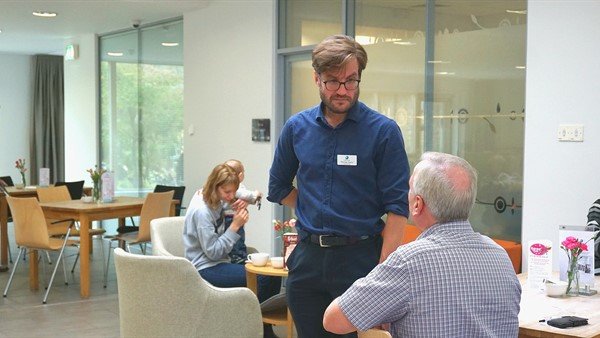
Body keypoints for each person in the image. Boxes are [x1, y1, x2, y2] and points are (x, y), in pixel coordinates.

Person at [267, 34, 410, 338]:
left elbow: (398, 210)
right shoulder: (296, 128)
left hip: (361, 260)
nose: (343, 90)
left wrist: (383, 276)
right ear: (316, 79)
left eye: (351, 81)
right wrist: (313, 205)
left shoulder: (383, 132)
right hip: (307, 260)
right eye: (333, 81)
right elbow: (278, 186)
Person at [323, 152, 522, 337]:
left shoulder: (409, 261)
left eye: (409, 189)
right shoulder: (499, 256)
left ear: (417, 204)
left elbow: (333, 320)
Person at [183, 163, 281, 337]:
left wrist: (237, 205)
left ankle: (260, 327)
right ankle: (258, 329)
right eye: (227, 192)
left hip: (220, 262)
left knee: (271, 276)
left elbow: (244, 197)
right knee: (265, 279)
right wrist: (235, 226)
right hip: (205, 268)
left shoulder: (214, 197)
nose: (230, 196)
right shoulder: (202, 212)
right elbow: (213, 252)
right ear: (215, 186)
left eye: (232, 192)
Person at [224, 159, 263, 264]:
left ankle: (240, 255)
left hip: (235, 217)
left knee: (239, 238)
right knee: (237, 238)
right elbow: (249, 195)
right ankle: (238, 256)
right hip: (230, 218)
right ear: (240, 175)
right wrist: (255, 195)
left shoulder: (231, 186)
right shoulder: (234, 187)